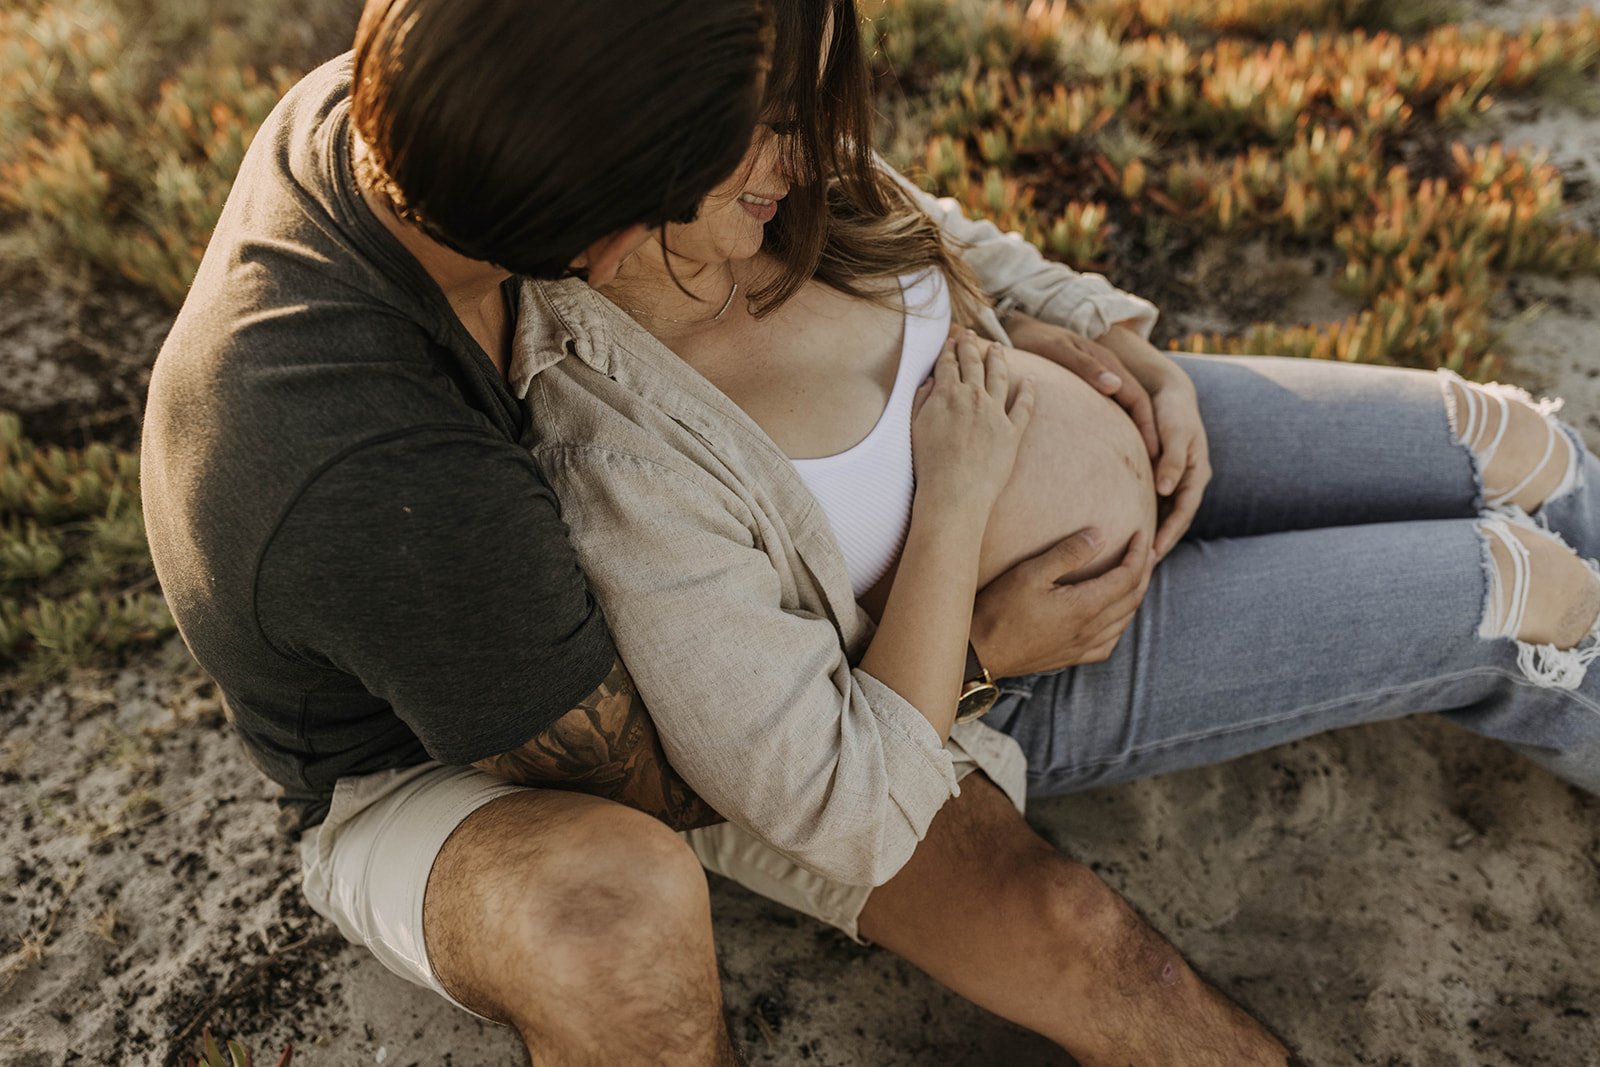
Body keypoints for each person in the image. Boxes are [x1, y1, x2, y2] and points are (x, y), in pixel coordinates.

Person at [142, 0, 1295, 1064]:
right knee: (617, 915)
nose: (781, 176)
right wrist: (977, 648)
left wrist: (981, 319)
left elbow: (845, 201)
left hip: (675, 624)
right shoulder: (384, 470)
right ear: (613, 229)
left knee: (1088, 940)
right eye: (747, 150)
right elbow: (681, 778)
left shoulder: (478, 92)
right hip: (427, 759)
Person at [517, 0, 1600, 1060]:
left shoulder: (770, 182)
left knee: (1517, 442)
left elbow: (936, 223)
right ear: (634, 143)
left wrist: (1093, 330)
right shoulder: (615, 447)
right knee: (1513, 587)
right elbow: (830, 800)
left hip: (1134, 437)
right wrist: (962, 540)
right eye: (767, 134)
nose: (808, 157)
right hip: (1044, 655)